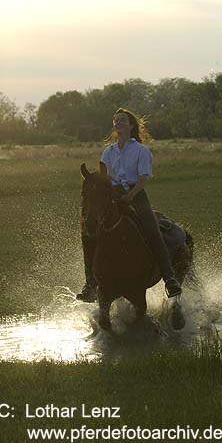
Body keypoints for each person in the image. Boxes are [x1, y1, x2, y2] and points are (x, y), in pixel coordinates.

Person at [77, 107, 182, 302]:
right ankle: (90, 283)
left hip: (137, 195)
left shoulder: (141, 150)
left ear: (131, 125)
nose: (118, 123)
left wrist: (131, 195)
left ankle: (169, 278)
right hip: (113, 197)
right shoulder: (108, 152)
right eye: (115, 120)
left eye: (122, 120)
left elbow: (143, 178)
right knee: (89, 234)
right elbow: (105, 179)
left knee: (152, 229)